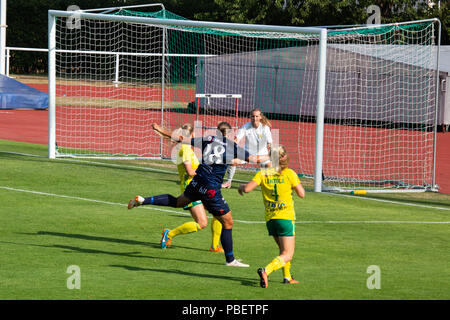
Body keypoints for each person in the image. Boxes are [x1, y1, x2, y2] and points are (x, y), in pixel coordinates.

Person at [128, 121, 269, 267]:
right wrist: (271, 156)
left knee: (178, 202)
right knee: (228, 222)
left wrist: (160, 129)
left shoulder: (208, 140)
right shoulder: (232, 146)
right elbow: (255, 159)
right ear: (230, 134)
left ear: (217, 132)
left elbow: (181, 139)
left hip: (197, 182)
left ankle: (144, 200)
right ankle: (230, 260)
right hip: (211, 188)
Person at [238, 145, 305, 287]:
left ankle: (287, 277)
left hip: (270, 219)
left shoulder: (263, 173)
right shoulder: (289, 173)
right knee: (288, 254)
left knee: (282, 251)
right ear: (284, 157)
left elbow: (248, 189)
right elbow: (302, 194)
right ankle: (266, 271)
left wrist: (241, 187)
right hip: (285, 218)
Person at [164, 123, 224, 252]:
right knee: (202, 223)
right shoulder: (185, 150)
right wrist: (206, 171)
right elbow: (190, 172)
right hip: (191, 190)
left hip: (200, 187)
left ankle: (215, 246)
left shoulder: (188, 149)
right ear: (191, 135)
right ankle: (169, 234)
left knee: (219, 213)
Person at [222, 108, 273, 189]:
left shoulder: (265, 128)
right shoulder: (245, 127)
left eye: (257, 116)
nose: (255, 118)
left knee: (270, 165)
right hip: (247, 155)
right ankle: (228, 182)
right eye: (253, 116)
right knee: (232, 161)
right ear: (250, 117)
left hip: (262, 155)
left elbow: (270, 143)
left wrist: (271, 152)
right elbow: (236, 140)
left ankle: (268, 184)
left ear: (260, 117)